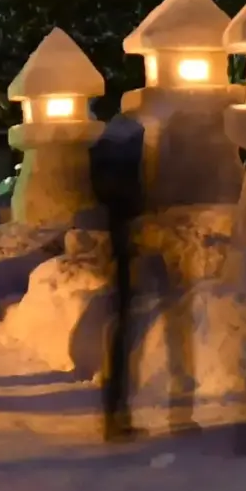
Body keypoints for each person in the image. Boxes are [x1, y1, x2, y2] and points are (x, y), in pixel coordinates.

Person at [88, 108, 148, 441]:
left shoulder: (104, 162)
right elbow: (130, 201)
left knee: (121, 336)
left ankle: (116, 413)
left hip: (118, 249)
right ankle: (115, 416)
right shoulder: (121, 171)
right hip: (122, 250)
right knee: (122, 337)